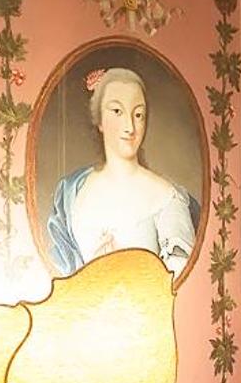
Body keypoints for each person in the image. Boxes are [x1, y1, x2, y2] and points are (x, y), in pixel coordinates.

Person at [46, 66, 200, 276]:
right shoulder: (71, 191)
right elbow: (58, 275)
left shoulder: (167, 197)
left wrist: (122, 272)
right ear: (99, 120)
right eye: (117, 111)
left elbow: (181, 278)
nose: (130, 127)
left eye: (138, 114)